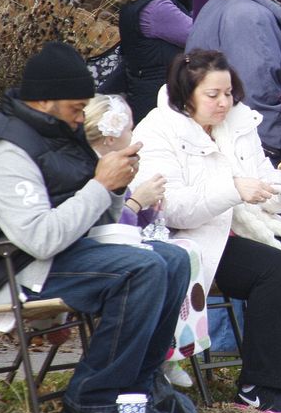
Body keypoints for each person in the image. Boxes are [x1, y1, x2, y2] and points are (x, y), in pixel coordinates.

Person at [0, 41, 192, 413]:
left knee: (173, 258)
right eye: (76, 108)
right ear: (46, 101)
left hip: (60, 254)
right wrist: (100, 186)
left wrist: (116, 188)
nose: (82, 118)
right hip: (6, 269)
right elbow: (40, 239)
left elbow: (94, 210)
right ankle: (92, 397)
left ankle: (138, 388)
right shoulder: (4, 150)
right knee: (141, 269)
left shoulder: (61, 131)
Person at [133, 49, 281, 413]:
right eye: (213, 95)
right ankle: (260, 386)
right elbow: (173, 208)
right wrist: (236, 189)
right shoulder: (158, 130)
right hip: (190, 240)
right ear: (186, 93)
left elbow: (262, 183)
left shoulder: (237, 123)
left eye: (229, 93)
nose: (224, 103)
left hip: (245, 226)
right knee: (275, 267)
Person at [83, 94, 211, 388]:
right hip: (103, 256)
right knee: (173, 257)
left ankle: (171, 351)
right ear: (111, 136)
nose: (134, 132)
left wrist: (149, 208)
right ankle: (164, 354)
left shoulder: (118, 164)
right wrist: (136, 204)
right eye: (129, 126)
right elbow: (107, 230)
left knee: (187, 251)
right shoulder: (96, 169)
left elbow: (134, 224)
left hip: (127, 250)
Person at [187, 0, 281, 165]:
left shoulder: (217, 5)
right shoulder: (248, 15)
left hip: (223, 141)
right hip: (253, 150)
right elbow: (258, 93)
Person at [116, 0, 193, 125]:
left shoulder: (135, 1)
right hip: (161, 105)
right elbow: (201, 37)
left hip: (144, 99)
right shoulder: (158, 10)